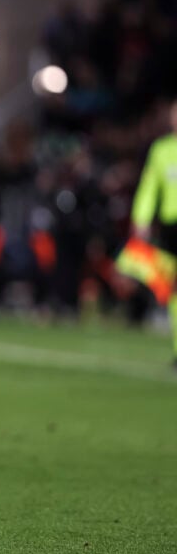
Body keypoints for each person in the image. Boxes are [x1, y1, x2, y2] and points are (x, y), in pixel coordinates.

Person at [128, 98, 177, 367]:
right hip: (171, 226)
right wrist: (141, 220)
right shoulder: (162, 150)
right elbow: (149, 187)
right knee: (172, 290)